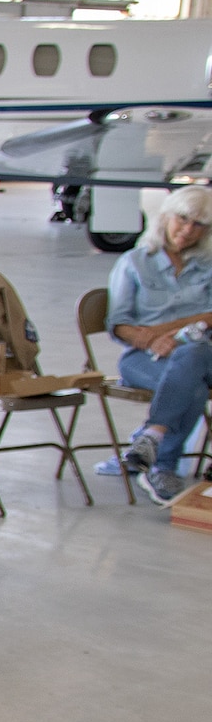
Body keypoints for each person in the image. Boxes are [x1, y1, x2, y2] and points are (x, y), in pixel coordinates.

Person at [108, 185, 212, 506]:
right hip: (143, 359)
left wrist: (171, 334)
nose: (188, 230)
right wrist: (154, 339)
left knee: (193, 356)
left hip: (198, 355)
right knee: (192, 378)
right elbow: (119, 324)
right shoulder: (135, 261)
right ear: (165, 216)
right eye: (183, 219)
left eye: (199, 225)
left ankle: (152, 439)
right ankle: (163, 463)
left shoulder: (208, 265)